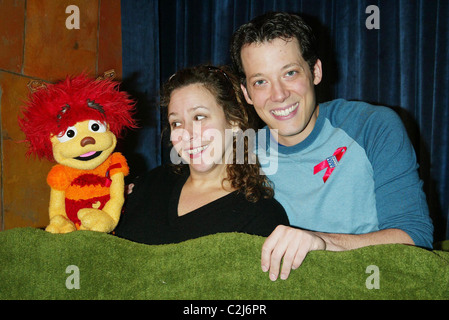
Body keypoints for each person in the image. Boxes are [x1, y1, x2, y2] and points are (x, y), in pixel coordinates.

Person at [230, 11, 434, 281]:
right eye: (260, 82)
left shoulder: (372, 126)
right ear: (246, 93)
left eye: (290, 73)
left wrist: (322, 243)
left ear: (315, 71)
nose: (278, 95)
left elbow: (415, 238)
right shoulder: (241, 154)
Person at [114, 65, 289, 245]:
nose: (187, 133)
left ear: (234, 121)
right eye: (176, 123)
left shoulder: (260, 216)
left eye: (199, 117)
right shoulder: (149, 185)